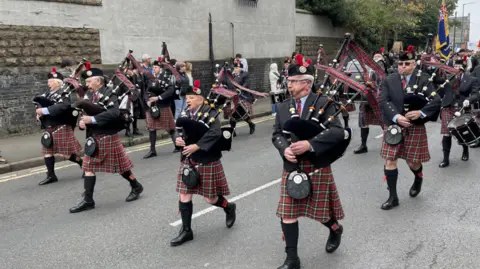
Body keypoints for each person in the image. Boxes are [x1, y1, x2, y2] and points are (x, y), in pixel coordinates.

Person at [272, 54, 345, 269]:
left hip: (316, 165)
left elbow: (338, 132)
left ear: (306, 84)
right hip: (292, 167)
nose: (289, 84)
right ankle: (292, 259)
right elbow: (277, 134)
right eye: (289, 81)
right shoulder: (284, 107)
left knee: (320, 213)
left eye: (293, 81)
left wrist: (310, 144)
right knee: (287, 213)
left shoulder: (324, 103)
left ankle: (335, 229)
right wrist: (285, 149)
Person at [170, 80, 236, 247]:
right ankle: (186, 231)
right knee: (184, 194)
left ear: (201, 99)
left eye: (192, 97)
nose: (188, 100)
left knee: (210, 198)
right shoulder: (185, 113)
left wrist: (197, 145)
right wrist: (178, 140)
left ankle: (228, 207)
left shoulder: (211, 112)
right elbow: (180, 132)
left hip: (206, 159)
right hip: (188, 159)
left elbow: (215, 133)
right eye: (187, 98)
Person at [70, 66, 144, 213]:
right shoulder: (89, 96)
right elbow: (85, 113)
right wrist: (83, 122)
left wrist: (93, 119)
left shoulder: (109, 94)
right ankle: (88, 200)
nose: (88, 85)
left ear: (99, 81)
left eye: (90, 81)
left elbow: (114, 113)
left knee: (121, 167)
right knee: (88, 166)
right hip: (93, 137)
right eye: (87, 82)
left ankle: (136, 186)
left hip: (107, 135)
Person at [379, 47, 441, 210]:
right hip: (393, 125)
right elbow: (383, 100)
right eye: (400, 63)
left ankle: (418, 177)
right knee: (390, 160)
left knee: (413, 162)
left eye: (407, 63)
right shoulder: (389, 79)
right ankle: (393, 197)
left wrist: (421, 112)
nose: (403, 66)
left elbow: (435, 101)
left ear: (414, 64)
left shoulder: (423, 79)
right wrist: (396, 117)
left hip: (414, 127)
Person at [35, 68, 83, 185]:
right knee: (47, 151)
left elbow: (63, 106)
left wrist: (44, 110)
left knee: (65, 154)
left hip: (61, 125)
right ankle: (51, 175)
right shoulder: (46, 94)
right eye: (48, 81)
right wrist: (39, 114)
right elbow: (40, 105)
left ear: (57, 82)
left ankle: (82, 163)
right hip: (49, 125)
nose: (48, 83)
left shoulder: (64, 93)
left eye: (50, 81)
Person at [438, 59, 480, 167]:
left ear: (463, 67)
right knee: (446, 133)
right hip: (448, 107)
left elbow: (476, 94)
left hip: (462, 107)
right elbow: (435, 81)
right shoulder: (447, 78)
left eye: (458, 66)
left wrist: (469, 100)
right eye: (454, 66)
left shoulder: (471, 79)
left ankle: (465, 150)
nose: (456, 68)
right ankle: (445, 159)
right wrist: (436, 66)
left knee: (462, 131)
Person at [143, 59, 177, 158]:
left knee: (169, 127)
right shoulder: (151, 78)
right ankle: (152, 150)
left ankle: (178, 145)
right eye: (153, 67)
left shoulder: (165, 78)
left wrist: (158, 98)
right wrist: (147, 101)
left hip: (163, 106)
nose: (154, 69)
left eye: (156, 67)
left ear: (161, 69)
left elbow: (170, 90)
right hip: (152, 107)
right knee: (151, 128)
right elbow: (146, 91)